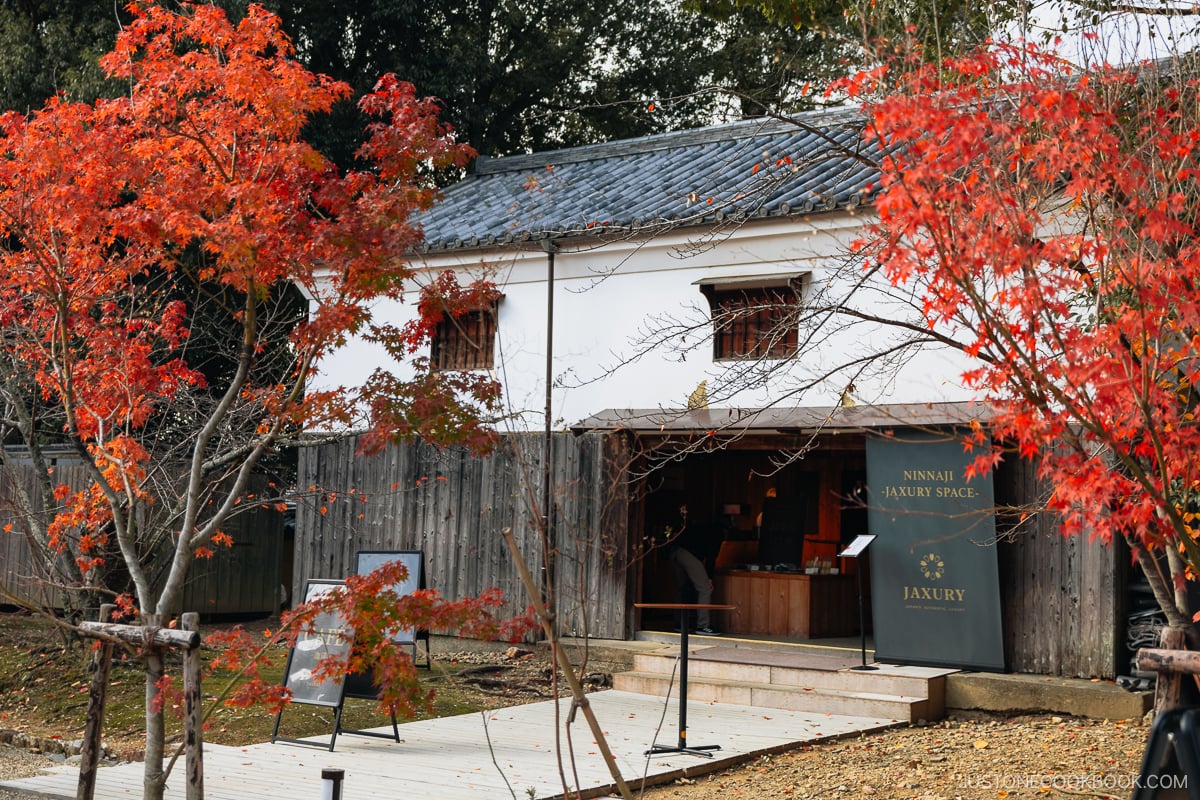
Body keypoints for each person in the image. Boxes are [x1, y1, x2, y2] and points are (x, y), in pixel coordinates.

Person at [663, 504, 721, 635]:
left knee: (682, 587)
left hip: (675, 551)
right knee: (705, 588)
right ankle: (703, 626)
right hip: (688, 554)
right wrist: (709, 577)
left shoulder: (703, 527)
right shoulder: (717, 533)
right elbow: (711, 557)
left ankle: (680, 624)